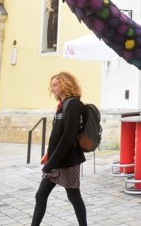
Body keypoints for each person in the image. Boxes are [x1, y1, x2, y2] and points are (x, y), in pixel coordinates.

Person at [32, 72, 87, 226]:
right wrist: (48, 155)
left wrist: (51, 163)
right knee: (40, 195)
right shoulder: (62, 105)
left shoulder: (73, 105)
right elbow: (57, 135)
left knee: (74, 196)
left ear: (65, 84)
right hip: (56, 159)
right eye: (52, 85)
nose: (53, 88)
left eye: (55, 84)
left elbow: (68, 138)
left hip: (68, 160)